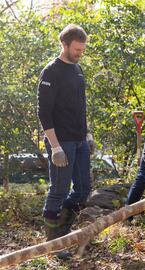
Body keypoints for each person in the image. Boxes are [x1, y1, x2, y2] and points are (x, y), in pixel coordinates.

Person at [37, 24, 93, 245]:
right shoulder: (51, 72)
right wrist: (56, 147)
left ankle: (64, 228)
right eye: (77, 49)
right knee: (58, 191)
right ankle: (53, 242)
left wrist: (88, 135)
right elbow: (43, 113)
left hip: (79, 140)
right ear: (64, 44)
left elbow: (81, 106)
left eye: (82, 49)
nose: (80, 53)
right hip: (61, 142)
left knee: (83, 190)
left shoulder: (78, 70)